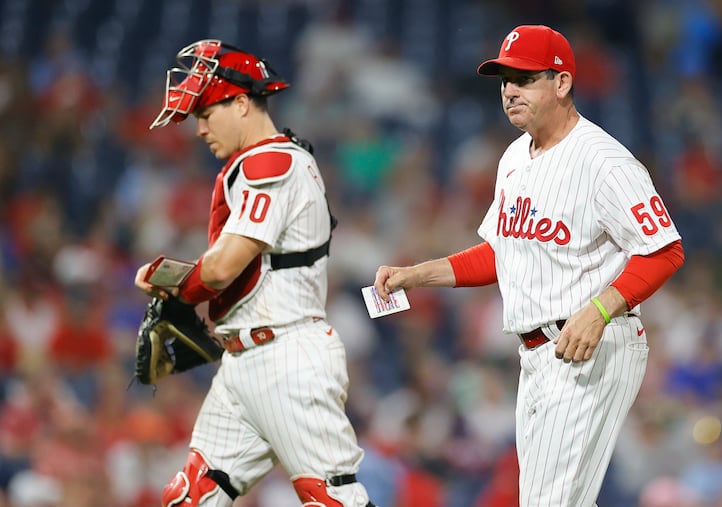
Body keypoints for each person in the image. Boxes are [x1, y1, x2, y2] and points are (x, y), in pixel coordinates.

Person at [373, 25, 685, 507]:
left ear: (562, 83)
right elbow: (501, 252)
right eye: (503, 79)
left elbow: (665, 250)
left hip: (592, 348)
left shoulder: (605, 162)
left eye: (524, 78)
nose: (509, 90)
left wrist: (600, 310)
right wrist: (417, 275)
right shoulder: (515, 157)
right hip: (536, 355)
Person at [134, 39, 377, 507]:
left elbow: (223, 268)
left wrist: (171, 285)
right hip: (245, 361)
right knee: (192, 495)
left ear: (242, 103)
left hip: (286, 358)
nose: (199, 128)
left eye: (206, 112)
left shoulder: (273, 163)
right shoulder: (261, 161)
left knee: (332, 499)